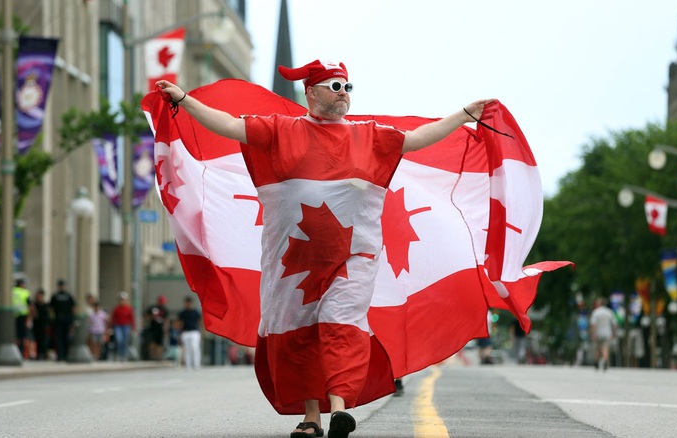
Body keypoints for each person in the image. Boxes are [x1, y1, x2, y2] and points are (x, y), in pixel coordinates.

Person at [157, 59, 492, 438]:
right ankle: (311, 417)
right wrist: (184, 100)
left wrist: (463, 115)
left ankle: (339, 408)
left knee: (342, 322)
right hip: (292, 261)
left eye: (348, 87)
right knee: (298, 332)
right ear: (311, 93)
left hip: (353, 257)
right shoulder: (281, 130)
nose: (344, 94)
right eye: (335, 87)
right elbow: (230, 125)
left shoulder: (370, 135)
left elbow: (416, 138)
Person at [49, 279, 75, 361]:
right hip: (61, 319)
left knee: (63, 338)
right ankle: (62, 354)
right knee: (61, 338)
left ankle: (63, 354)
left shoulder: (57, 296)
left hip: (62, 319)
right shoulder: (66, 296)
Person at [590, 297, 618, 371]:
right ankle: (605, 360)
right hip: (607, 333)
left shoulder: (595, 312)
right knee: (605, 347)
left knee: (598, 348)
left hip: (598, 333)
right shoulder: (609, 312)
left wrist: (593, 333)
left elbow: (593, 324)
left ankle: (597, 361)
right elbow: (615, 323)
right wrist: (614, 332)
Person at [178, 296, 202, 369]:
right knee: (187, 349)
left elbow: (199, 322)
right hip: (186, 332)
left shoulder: (195, 312)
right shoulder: (182, 313)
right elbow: (180, 323)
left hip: (194, 332)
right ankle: (188, 364)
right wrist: (179, 332)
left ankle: (196, 363)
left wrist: (202, 331)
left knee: (194, 347)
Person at [111, 291, 135, 362]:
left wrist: (133, 328)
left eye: (123, 299)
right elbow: (113, 318)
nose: (122, 301)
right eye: (121, 299)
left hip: (126, 326)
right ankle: (119, 354)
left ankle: (124, 355)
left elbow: (132, 319)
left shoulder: (129, 309)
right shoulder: (116, 309)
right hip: (118, 326)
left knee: (125, 341)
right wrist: (111, 327)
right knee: (119, 340)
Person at [12, 278, 32, 357]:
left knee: (15, 335)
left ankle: (16, 350)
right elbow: (30, 306)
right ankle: (21, 351)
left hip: (13, 316)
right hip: (23, 316)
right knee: (22, 336)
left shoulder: (12, 291)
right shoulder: (25, 292)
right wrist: (29, 319)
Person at [145, 295, 169, 361]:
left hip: (160, 328)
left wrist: (165, 328)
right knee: (152, 342)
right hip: (153, 327)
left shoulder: (165, 310)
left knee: (160, 343)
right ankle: (152, 356)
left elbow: (166, 320)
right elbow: (146, 316)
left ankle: (158, 356)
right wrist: (152, 317)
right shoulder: (153, 308)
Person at [31, 288, 52, 360]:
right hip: (37, 325)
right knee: (37, 340)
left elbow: (48, 315)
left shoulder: (45, 305)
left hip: (44, 326)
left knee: (44, 341)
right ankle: (38, 354)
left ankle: (43, 354)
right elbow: (33, 315)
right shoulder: (34, 305)